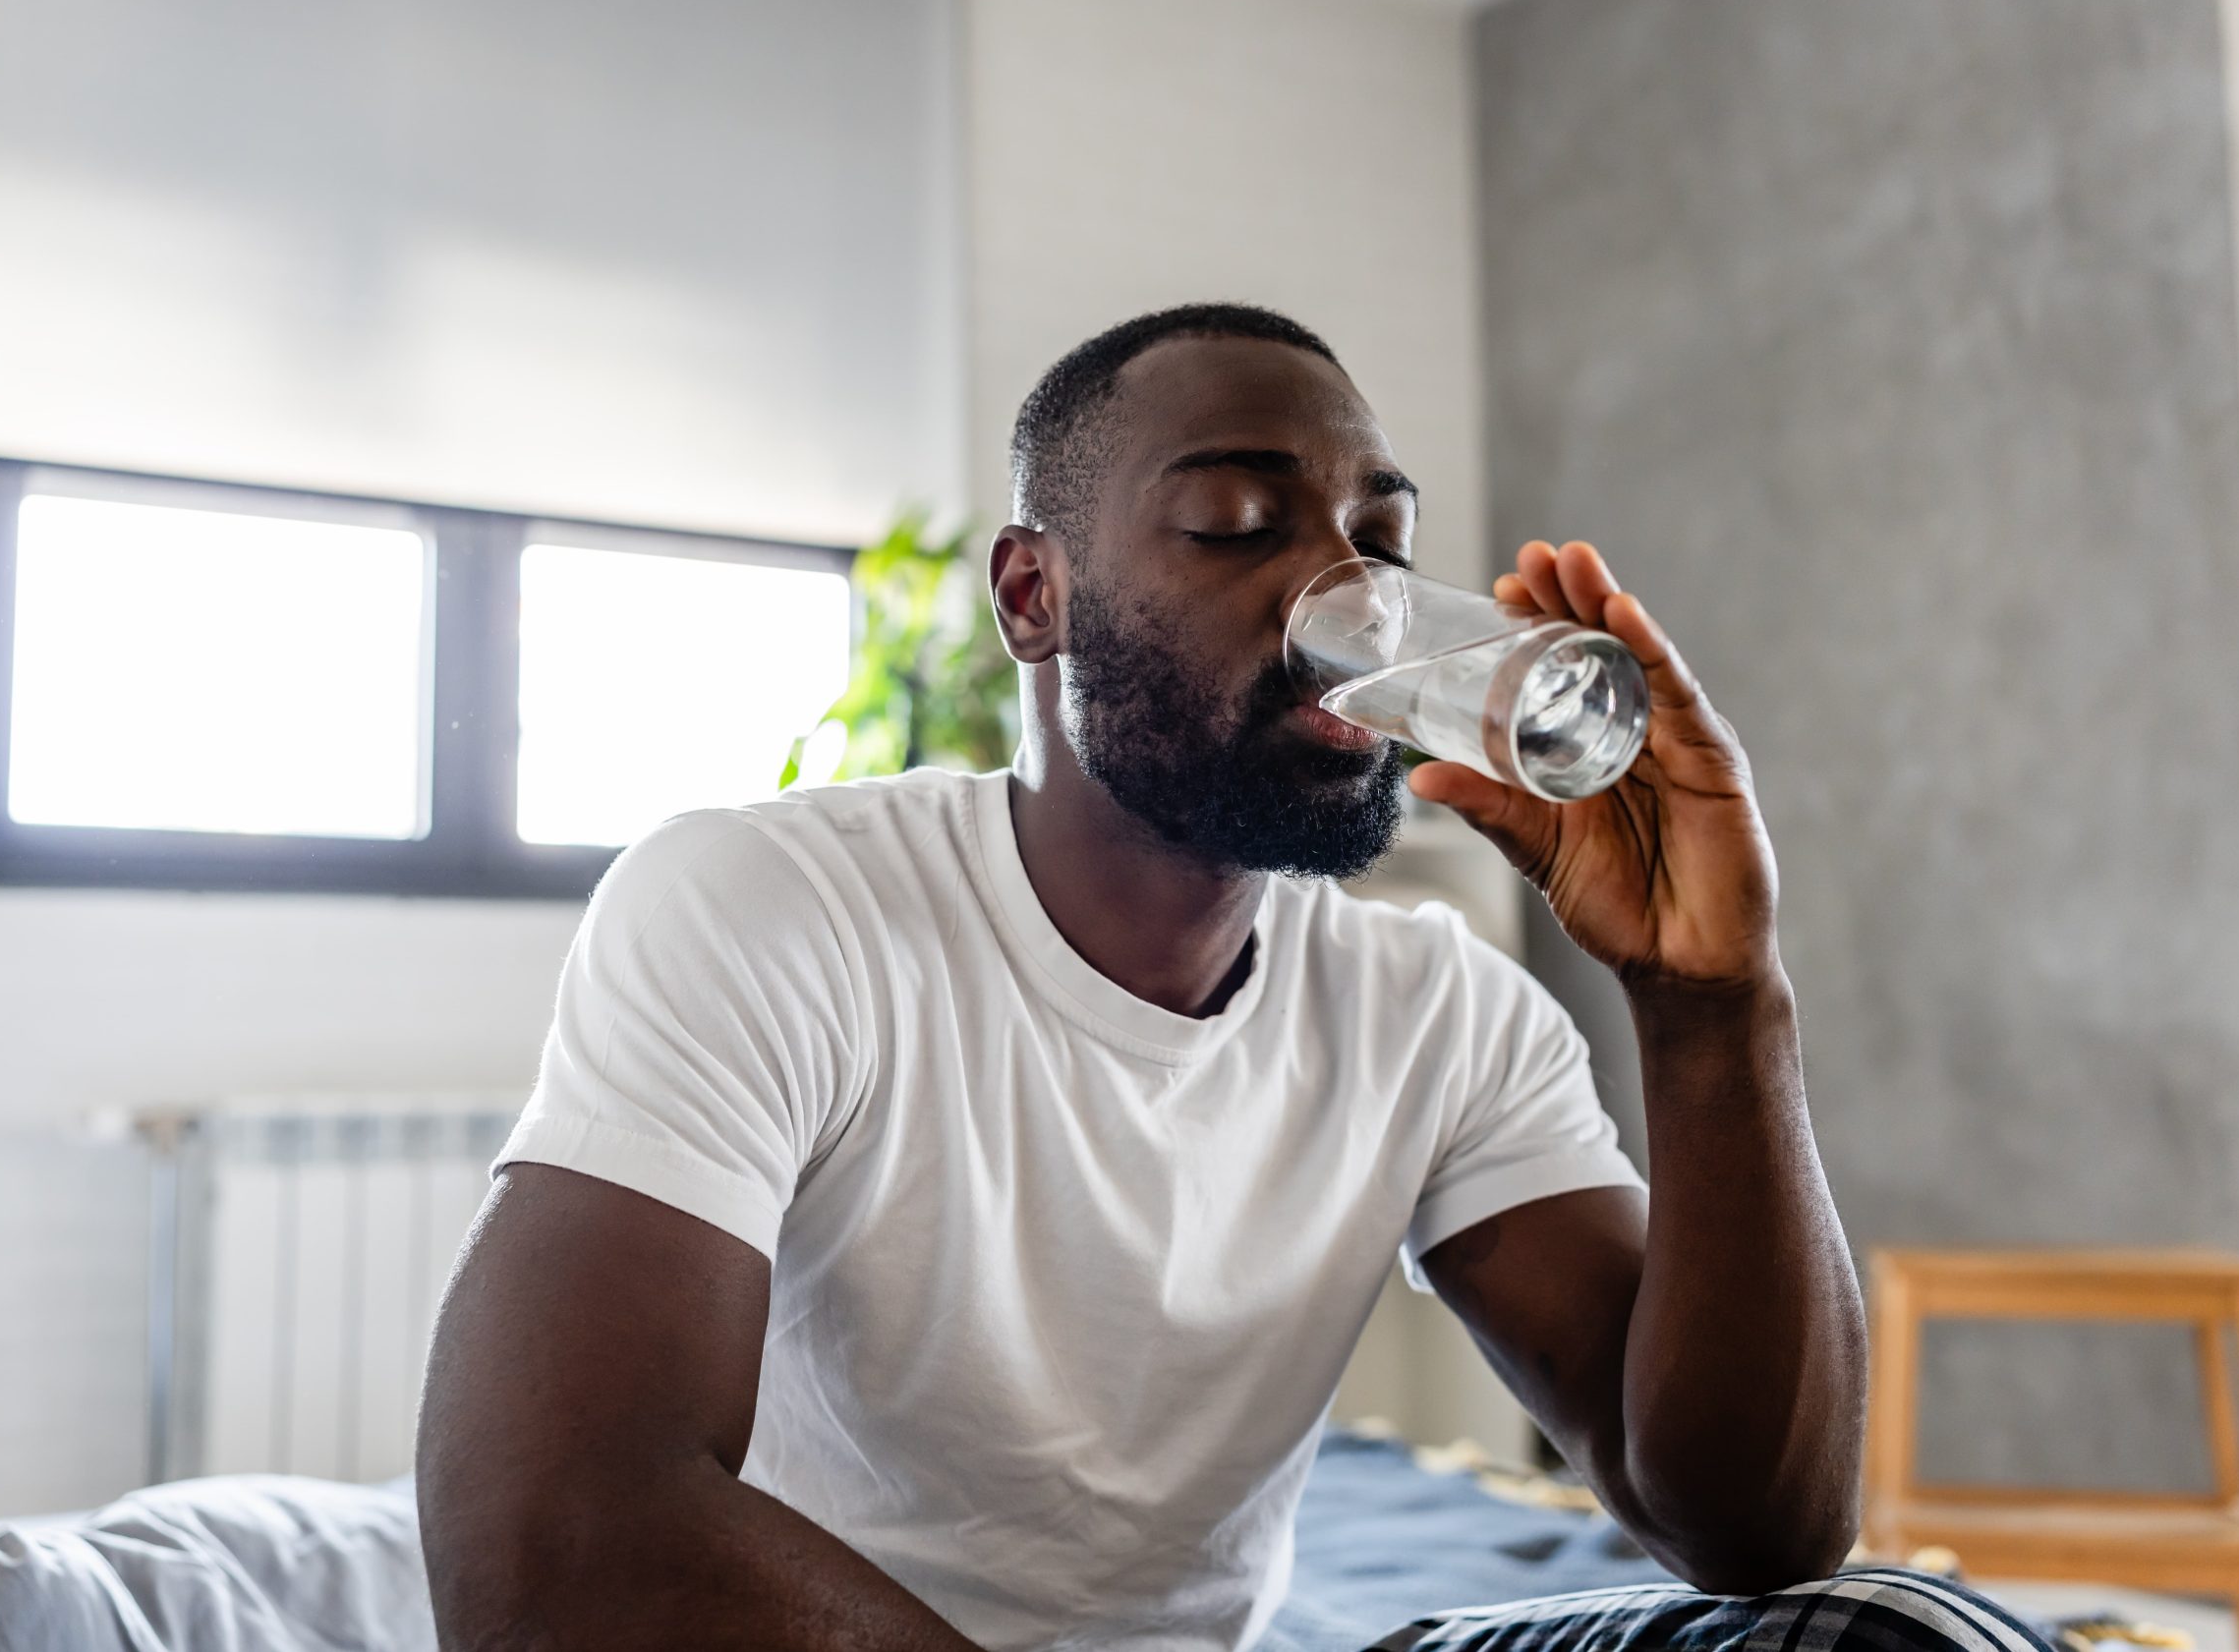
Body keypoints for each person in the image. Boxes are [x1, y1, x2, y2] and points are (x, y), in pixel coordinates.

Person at [416, 305, 2038, 1652]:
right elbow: (557, 1542)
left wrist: (1715, 1009)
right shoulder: (774, 907)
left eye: (1380, 541)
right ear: (1035, 597)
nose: (1352, 597)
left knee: (1897, 1635)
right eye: (1235, 527)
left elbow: (1751, 1526)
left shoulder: (1437, 1009)